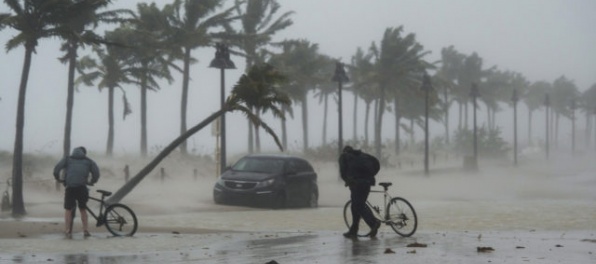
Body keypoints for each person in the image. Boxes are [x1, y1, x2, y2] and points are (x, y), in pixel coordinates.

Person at [53, 146, 100, 237]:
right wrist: (92, 181)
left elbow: (57, 168)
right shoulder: (88, 161)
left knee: (68, 210)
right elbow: (96, 173)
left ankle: (67, 231)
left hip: (70, 188)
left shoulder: (67, 159)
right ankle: (85, 230)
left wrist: (57, 177)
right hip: (82, 187)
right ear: (84, 153)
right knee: (83, 209)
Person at [339, 145, 380, 239]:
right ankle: (353, 230)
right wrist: (371, 176)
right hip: (368, 182)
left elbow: (342, 172)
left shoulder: (344, 157)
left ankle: (373, 223)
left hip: (357, 183)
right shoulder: (363, 155)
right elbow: (376, 163)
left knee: (358, 205)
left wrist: (348, 181)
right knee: (356, 205)